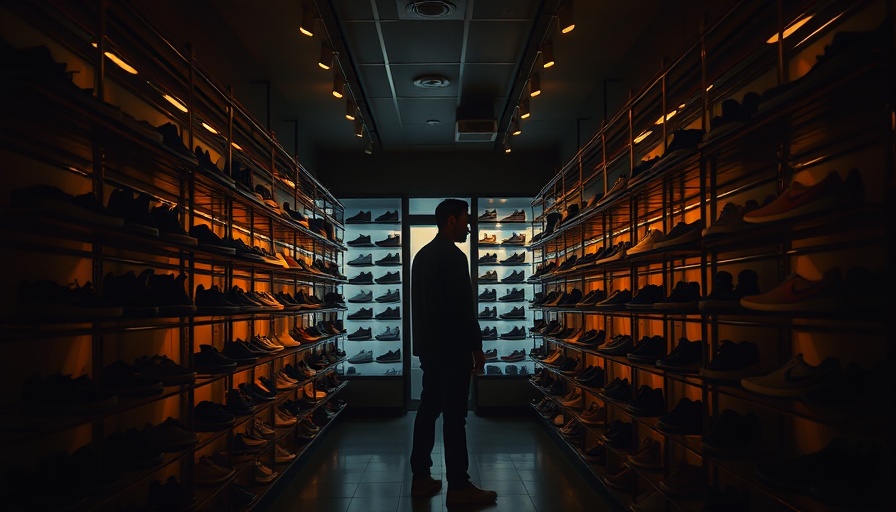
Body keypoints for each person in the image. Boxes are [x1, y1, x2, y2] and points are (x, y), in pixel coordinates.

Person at [409, 199, 497, 506]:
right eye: (465, 221)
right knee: (455, 418)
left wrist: (421, 347)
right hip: (454, 350)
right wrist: (477, 349)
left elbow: (416, 309)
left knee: (428, 410)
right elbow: (463, 310)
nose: (469, 227)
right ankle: (459, 487)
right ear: (451, 221)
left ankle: (420, 477)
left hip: (431, 352)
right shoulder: (455, 258)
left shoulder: (420, 257)